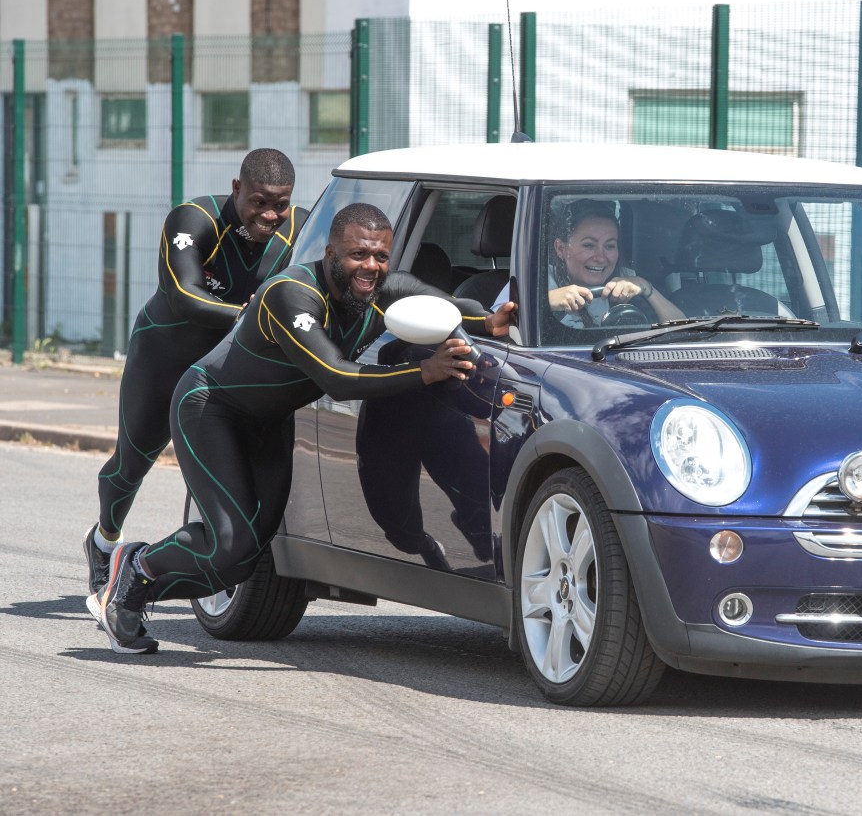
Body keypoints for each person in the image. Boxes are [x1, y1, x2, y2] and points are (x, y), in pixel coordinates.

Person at [86, 202, 516, 654]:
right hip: (210, 409)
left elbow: (446, 305)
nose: (370, 267)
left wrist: (488, 321)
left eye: (381, 257)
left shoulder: (384, 288)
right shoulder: (291, 295)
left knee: (244, 559)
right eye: (357, 255)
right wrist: (424, 372)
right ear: (331, 252)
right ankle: (137, 565)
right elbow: (337, 377)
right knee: (229, 540)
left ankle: (134, 589)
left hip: (269, 421)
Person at [83, 148, 307, 606]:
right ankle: (104, 539)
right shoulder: (194, 219)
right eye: (260, 202)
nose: (270, 214)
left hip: (228, 372)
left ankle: (210, 557)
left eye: (280, 204)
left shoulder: (300, 229)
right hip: (165, 355)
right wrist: (251, 317)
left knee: (229, 471)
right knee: (132, 463)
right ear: (236, 189)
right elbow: (184, 294)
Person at [492, 198, 683, 326]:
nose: (600, 257)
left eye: (609, 246)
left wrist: (646, 288)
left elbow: (683, 331)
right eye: (589, 245)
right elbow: (496, 326)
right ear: (561, 248)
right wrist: (546, 301)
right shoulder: (533, 281)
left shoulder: (627, 280)